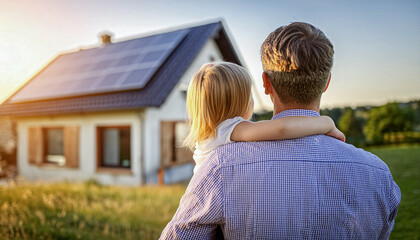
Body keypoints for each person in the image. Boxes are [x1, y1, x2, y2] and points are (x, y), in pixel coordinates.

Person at [160, 22, 401, 239]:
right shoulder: (379, 175)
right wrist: (326, 123)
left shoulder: (221, 166)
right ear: (327, 82)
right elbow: (283, 128)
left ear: (266, 83)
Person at [185, 62, 345, 174]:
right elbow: (283, 128)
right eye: (249, 95)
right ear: (238, 103)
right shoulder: (230, 128)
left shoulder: (210, 135)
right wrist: (327, 123)